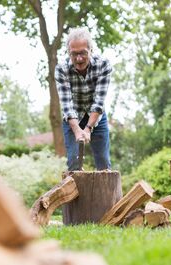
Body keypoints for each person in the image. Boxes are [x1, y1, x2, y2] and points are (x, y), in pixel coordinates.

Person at [55, 27, 113, 171]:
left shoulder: (103, 65)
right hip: (73, 118)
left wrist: (88, 128)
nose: (78, 59)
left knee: (104, 163)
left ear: (91, 50)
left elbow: (99, 102)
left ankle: (105, 193)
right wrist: (77, 130)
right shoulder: (61, 69)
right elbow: (66, 105)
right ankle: (75, 193)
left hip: (96, 117)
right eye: (74, 54)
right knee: (74, 163)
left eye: (83, 53)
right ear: (69, 52)